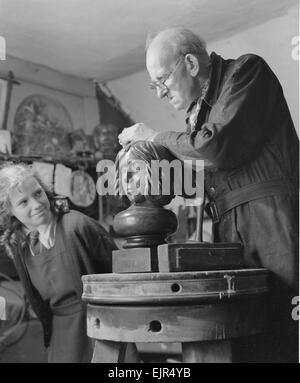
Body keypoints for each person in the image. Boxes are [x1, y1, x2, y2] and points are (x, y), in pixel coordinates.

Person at [118, 27, 299, 362]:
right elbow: (198, 179)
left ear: (190, 62)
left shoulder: (246, 71)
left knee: (284, 330)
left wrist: (156, 136)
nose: (159, 93)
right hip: (232, 226)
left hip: (275, 218)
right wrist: (148, 167)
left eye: (162, 79)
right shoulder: (197, 115)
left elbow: (215, 149)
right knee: (249, 334)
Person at [0, 163, 118, 363]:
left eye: (38, 193)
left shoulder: (77, 226)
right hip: (61, 335)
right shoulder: (20, 246)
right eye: (23, 202)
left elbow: (120, 274)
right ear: (8, 210)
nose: (36, 204)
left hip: (100, 331)